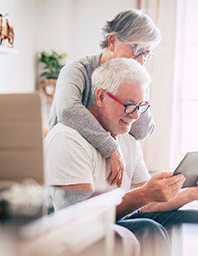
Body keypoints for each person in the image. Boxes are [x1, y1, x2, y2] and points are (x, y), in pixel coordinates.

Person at [44, 58, 198, 256]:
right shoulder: (68, 138)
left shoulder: (127, 139)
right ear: (101, 97)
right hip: (78, 232)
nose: (135, 116)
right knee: (148, 230)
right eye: (129, 105)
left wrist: (193, 194)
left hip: (118, 218)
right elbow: (80, 217)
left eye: (141, 106)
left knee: (197, 219)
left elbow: (147, 205)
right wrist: (144, 194)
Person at [48, 9, 161, 187]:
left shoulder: (135, 77)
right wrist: (111, 147)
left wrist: (137, 92)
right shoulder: (77, 70)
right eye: (137, 49)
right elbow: (68, 110)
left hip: (104, 173)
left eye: (146, 53)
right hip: (70, 162)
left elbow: (141, 131)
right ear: (112, 41)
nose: (141, 60)